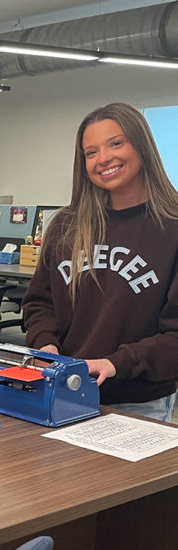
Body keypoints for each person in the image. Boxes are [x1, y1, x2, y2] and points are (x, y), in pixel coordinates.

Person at [23, 102, 178, 421]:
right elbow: (40, 303)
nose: (103, 158)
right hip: (63, 387)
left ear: (142, 146)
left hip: (137, 400)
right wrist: (45, 344)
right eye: (90, 152)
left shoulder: (172, 226)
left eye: (116, 143)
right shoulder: (68, 224)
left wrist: (117, 363)